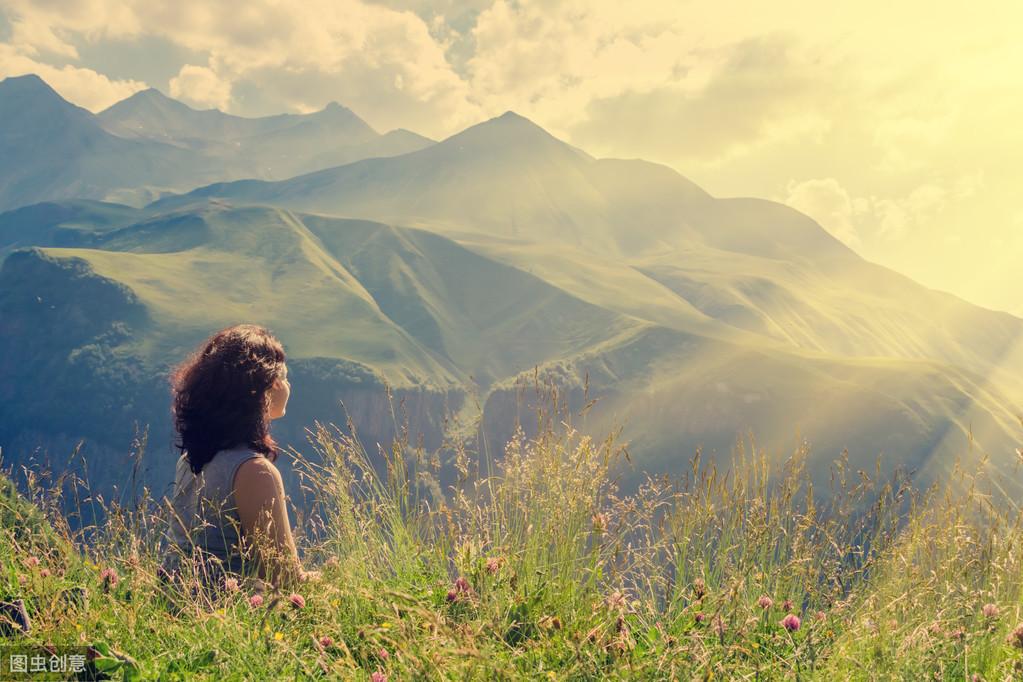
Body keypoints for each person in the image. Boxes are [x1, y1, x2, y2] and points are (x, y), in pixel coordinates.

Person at [161, 324, 318, 595]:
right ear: (271, 384)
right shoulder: (254, 472)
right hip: (223, 616)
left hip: (174, 606)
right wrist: (340, 580)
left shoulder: (192, 458)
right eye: (286, 377)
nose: (289, 386)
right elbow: (284, 577)